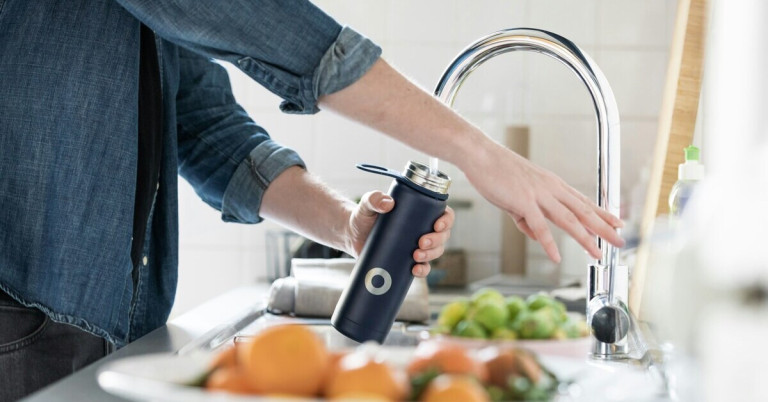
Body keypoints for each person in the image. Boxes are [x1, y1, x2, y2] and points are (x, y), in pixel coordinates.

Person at [0, 1, 623, 400]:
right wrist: (477, 152)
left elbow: (204, 126)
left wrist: (348, 226)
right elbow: (265, 23)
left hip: (103, 330)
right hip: (16, 321)